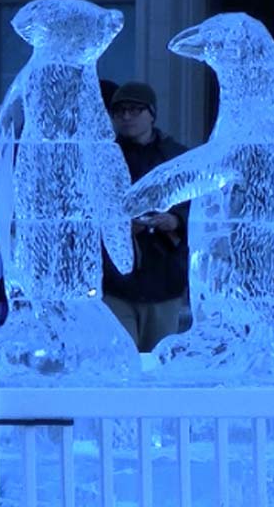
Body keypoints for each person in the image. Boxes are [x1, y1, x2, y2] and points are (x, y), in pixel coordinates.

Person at [101, 82, 190, 352]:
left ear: (151, 114)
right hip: (115, 283)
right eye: (119, 111)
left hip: (164, 282)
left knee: (158, 362)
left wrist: (175, 221)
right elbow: (92, 209)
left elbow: (198, 206)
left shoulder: (176, 156)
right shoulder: (105, 157)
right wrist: (119, 228)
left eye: (134, 110)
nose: (126, 117)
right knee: (122, 359)